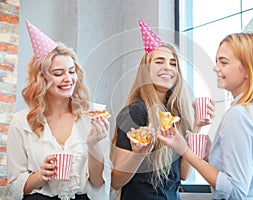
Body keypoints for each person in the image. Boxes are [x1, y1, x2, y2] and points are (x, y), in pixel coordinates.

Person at [157, 32, 253, 199]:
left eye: (223, 62)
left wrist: (185, 150)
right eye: (217, 61)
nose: (216, 67)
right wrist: (213, 155)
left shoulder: (239, 115)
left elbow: (236, 191)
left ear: (248, 70)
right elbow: (252, 173)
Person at [7, 20, 111, 200]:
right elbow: (15, 186)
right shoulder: (21, 122)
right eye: (58, 74)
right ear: (41, 79)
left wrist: (94, 144)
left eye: (71, 71)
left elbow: (97, 183)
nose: (68, 79)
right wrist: (41, 175)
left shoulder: (92, 117)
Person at [110, 20, 213, 200]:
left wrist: (197, 126)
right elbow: (116, 181)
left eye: (173, 63)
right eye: (159, 61)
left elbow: (183, 174)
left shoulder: (176, 116)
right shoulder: (134, 112)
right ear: (145, 70)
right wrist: (138, 154)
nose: (168, 67)